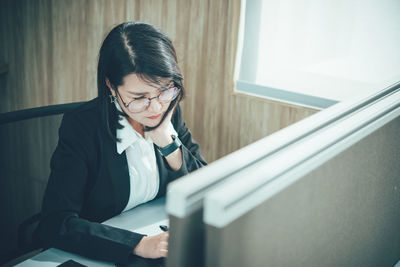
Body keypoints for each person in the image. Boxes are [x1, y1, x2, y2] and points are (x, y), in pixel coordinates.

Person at [34, 21, 207, 266]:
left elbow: (205, 189)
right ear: (111, 86)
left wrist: (168, 145)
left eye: (164, 90)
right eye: (139, 98)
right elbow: (55, 223)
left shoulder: (168, 110)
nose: (156, 107)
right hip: (100, 254)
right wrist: (139, 244)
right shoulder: (82, 127)